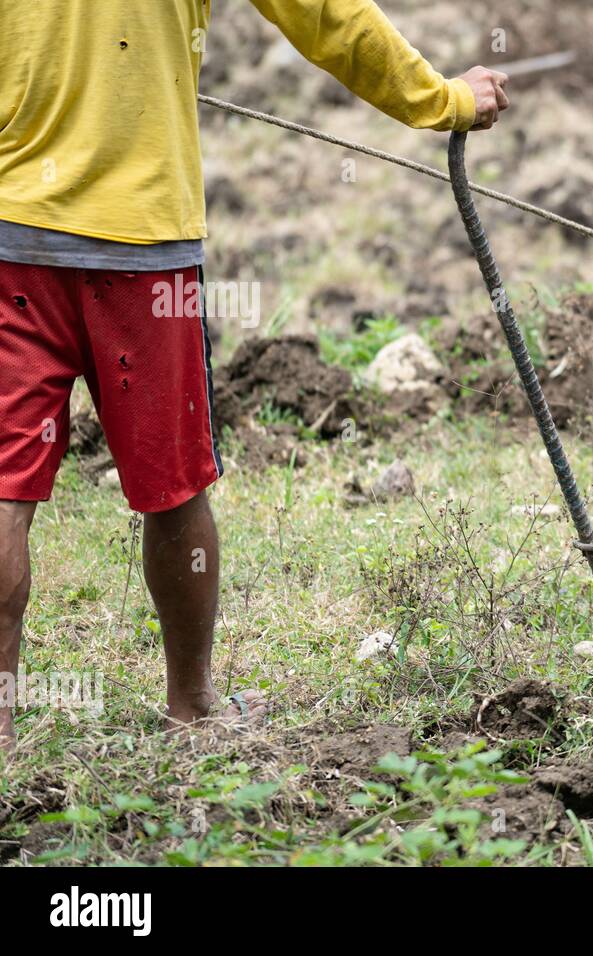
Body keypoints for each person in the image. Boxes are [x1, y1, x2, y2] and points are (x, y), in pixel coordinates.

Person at [0, 0, 509, 752]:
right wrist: (443, 98)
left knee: (6, 487)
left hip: (13, 233)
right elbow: (327, 14)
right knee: (173, 489)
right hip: (144, 244)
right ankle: (193, 706)